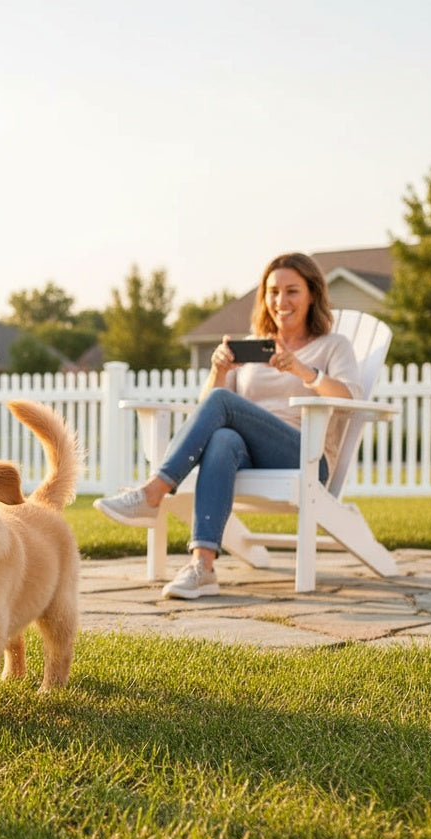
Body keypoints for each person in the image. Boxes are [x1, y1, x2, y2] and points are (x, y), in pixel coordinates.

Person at [94, 252, 362, 599]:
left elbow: (349, 395)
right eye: (273, 291)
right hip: (250, 453)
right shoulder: (253, 348)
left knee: (223, 407)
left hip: (306, 454)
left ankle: (153, 492)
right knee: (221, 439)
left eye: (292, 291)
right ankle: (202, 567)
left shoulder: (332, 345)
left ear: (312, 294)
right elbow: (210, 406)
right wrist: (219, 371)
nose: (281, 301)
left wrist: (302, 371)